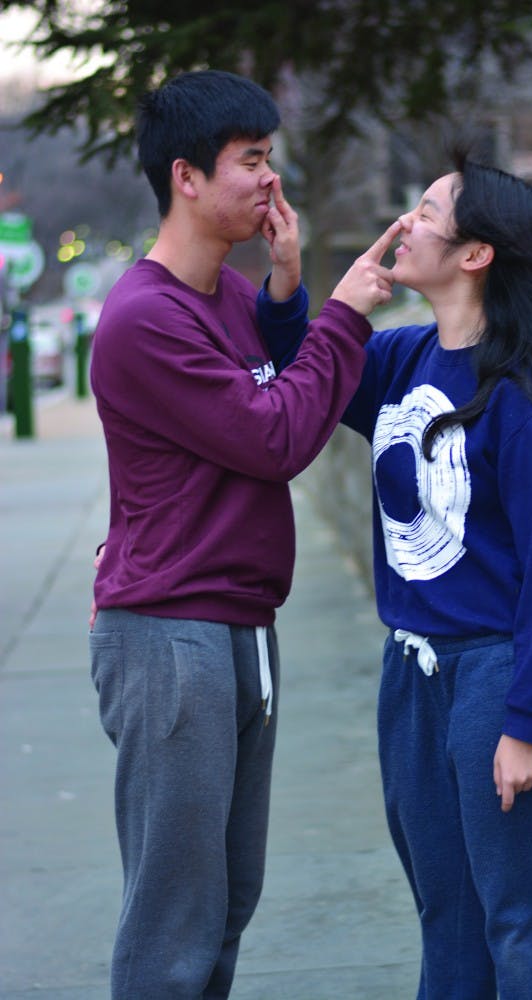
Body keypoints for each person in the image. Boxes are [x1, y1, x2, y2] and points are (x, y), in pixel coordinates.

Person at [260, 150, 532, 998]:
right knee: (447, 915)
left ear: (475, 255)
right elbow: (311, 380)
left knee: (521, 921)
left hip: (497, 671)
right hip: (414, 671)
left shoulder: (524, 398)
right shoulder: (401, 360)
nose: (407, 221)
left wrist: (525, 723)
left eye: (428, 211)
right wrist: (290, 285)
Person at [88, 68, 397, 1000]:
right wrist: (343, 311)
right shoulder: (143, 320)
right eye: (251, 161)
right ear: (186, 176)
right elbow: (275, 436)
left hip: (234, 623)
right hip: (170, 635)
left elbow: (275, 373)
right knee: (176, 917)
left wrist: (290, 291)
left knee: (226, 901)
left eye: (271, 159)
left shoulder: (221, 296)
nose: (271, 180)